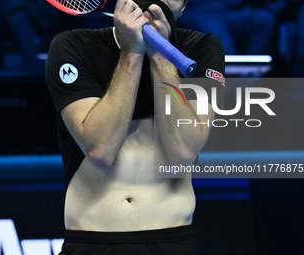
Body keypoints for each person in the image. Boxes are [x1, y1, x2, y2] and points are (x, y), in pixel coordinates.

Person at [46, 0, 225, 254]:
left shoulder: (203, 49)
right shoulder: (73, 46)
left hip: (172, 241)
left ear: (183, 7)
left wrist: (161, 56)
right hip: (91, 242)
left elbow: (182, 153)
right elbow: (101, 149)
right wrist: (132, 52)